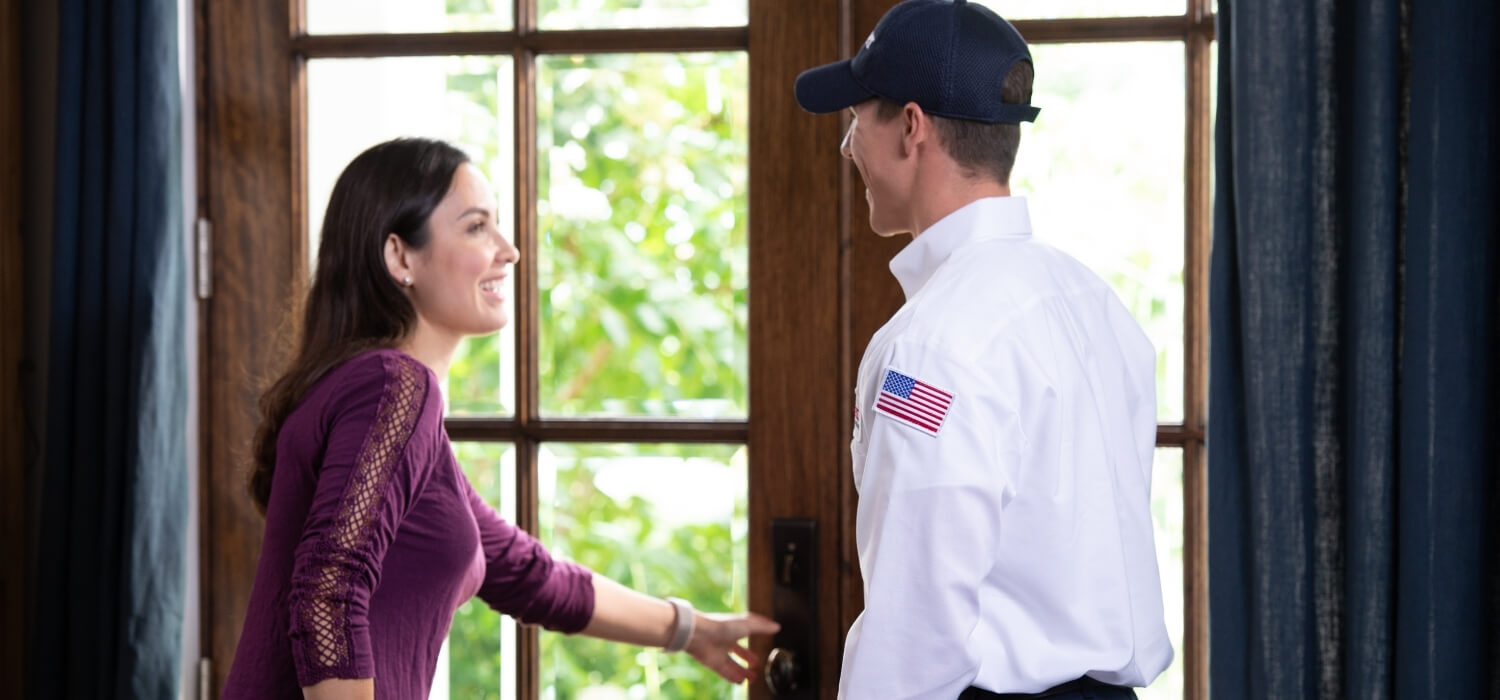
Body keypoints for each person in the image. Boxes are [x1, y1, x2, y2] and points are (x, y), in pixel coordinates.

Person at [221, 137, 778, 699]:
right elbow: (327, 591)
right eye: (476, 227)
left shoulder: (382, 399)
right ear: (401, 257)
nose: (508, 251)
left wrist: (691, 630)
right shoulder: (394, 387)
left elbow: (524, 573)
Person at [793, 1, 1173, 698]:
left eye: (856, 119)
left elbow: (915, 632)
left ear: (912, 127)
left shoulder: (931, 347)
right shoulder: (1094, 305)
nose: (847, 147)